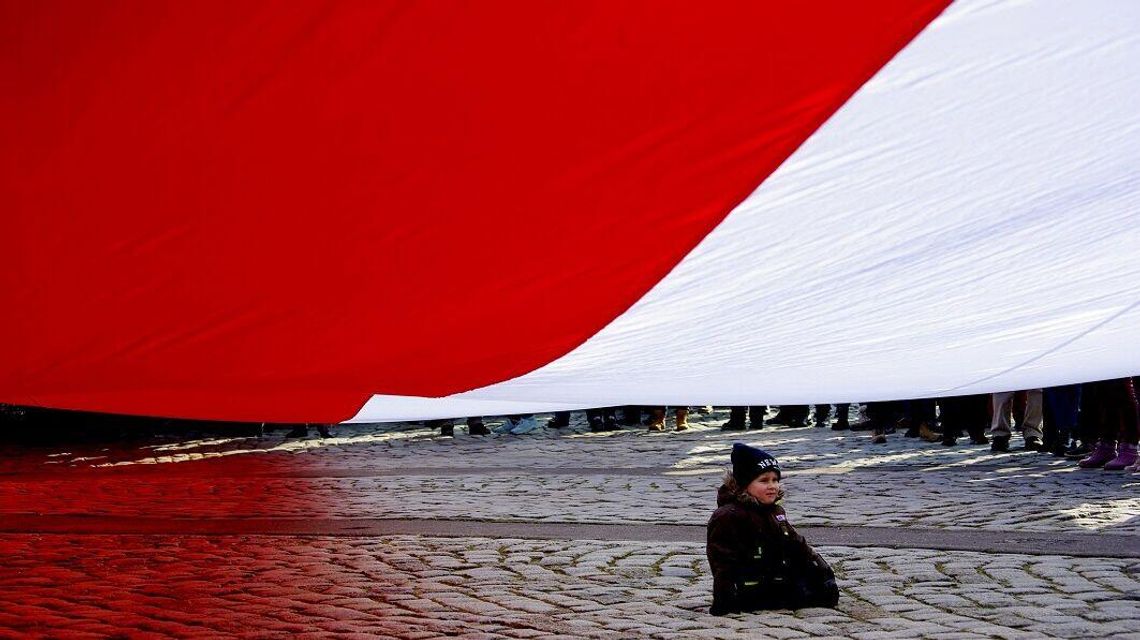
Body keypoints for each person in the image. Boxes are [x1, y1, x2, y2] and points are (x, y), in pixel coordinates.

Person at [706, 443, 839, 615]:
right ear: (744, 485)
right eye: (764, 480)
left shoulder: (775, 511)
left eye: (775, 480)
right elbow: (722, 560)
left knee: (824, 593)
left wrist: (821, 568)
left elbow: (796, 544)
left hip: (777, 580)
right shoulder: (729, 515)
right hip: (749, 589)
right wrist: (724, 600)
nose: (772, 486)